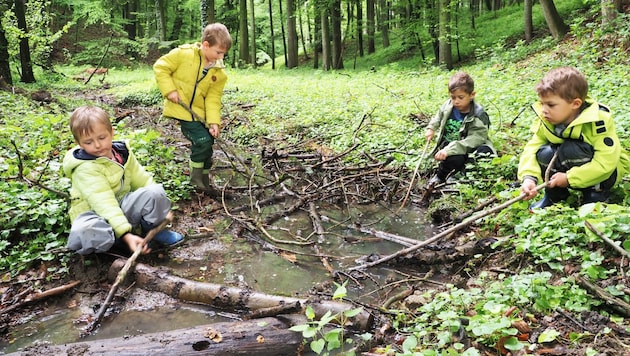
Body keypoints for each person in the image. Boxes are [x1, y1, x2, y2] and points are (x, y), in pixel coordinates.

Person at [63, 106, 183, 255]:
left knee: (155, 192)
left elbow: (143, 180)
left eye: (102, 138)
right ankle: (118, 245)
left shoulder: (122, 153)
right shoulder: (84, 168)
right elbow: (103, 202)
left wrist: (160, 211)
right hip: (96, 215)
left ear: (112, 132)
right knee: (87, 231)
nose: (97, 145)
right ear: (79, 143)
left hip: (121, 205)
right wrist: (125, 234)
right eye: (88, 142)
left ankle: (152, 231)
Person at [518, 66, 629, 209]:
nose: (544, 110)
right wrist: (529, 178)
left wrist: (569, 178)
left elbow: (606, 162)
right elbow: (531, 149)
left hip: (604, 174)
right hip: (569, 169)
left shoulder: (597, 122)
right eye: (542, 103)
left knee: (572, 149)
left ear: (575, 104)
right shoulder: (547, 121)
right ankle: (555, 195)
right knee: (544, 152)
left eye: (551, 105)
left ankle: (595, 195)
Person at [154, 23, 232, 196]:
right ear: (206, 45)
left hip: (199, 114)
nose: (220, 57)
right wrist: (170, 90)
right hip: (182, 110)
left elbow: (213, 99)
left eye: (223, 53)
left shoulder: (219, 73)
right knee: (202, 141)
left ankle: (204, 181)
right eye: (218, 52)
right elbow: (160, 67)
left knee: (208, 143)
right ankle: (196, 182)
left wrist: (213, 122)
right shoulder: (183, 54)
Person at [424, 71, 495, 186]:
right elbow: (438, 116)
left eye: (460, 97)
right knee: (452, 157)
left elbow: (476, 138)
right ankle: (441, 176)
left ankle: (461, 175)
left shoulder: (478, 114)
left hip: (468, 147)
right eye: (453, 97)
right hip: (449, 146)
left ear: (472, 95)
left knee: (485, 152)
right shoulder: (448, 106)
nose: (456, 101)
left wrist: (453, 148)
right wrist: (431, 128)